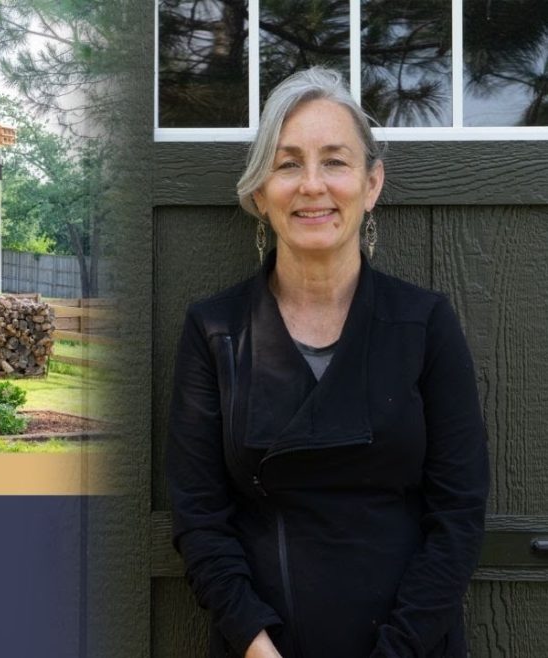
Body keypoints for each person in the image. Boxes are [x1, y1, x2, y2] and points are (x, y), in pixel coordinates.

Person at [165, 67, 489, 658]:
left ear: (371, 184)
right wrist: (255, 644)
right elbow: (200, 518)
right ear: (261, 193)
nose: (312, 184)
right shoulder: (214, 330)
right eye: (288, 164)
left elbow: (459, 516)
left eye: (335, 161)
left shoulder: (424, 324)